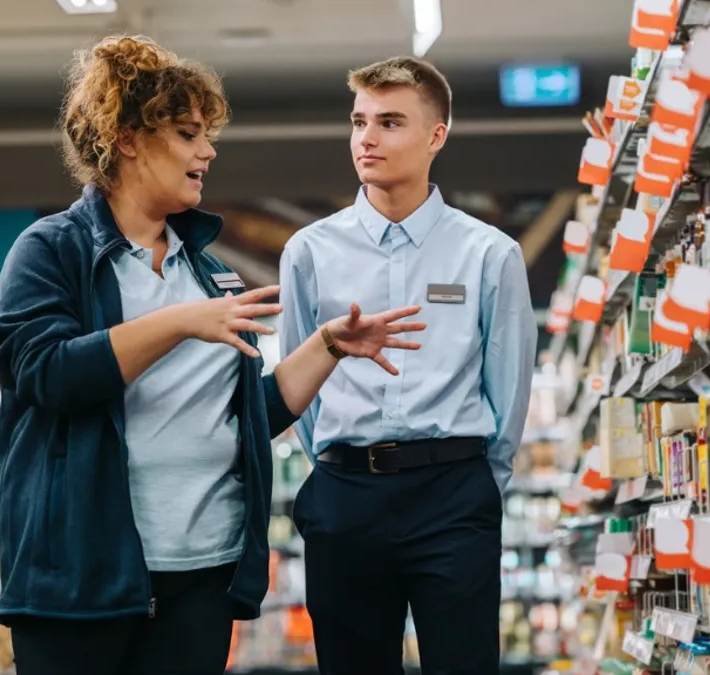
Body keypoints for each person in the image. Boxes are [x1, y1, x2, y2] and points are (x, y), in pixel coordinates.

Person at [0, 35, 425, 675]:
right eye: (189, 134)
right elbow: (43, 373)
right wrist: (179, 323)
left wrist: (329, 346)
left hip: (200, 573)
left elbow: (247, 416)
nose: (208, 151)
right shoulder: (53, 251)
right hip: (81, 578)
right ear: (128, 137)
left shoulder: (210, 274)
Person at [279, 56, 538, 675]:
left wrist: (476, 487)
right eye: (358, 121)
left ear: (436, 136)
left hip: (453, 495)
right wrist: (340, 467)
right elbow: (298, 388)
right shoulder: (309, 252)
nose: (366, 138)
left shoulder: (489, 254)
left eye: (390, 122)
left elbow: (509, 391)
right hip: (345, 496)